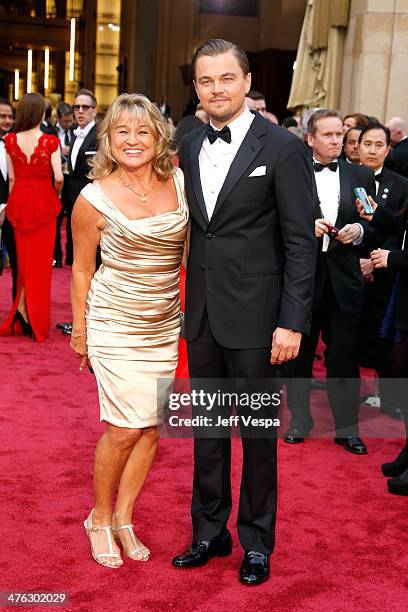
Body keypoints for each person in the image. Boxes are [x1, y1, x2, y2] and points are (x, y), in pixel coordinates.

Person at [171, 39, 316, 586]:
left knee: (255, 435)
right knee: (207, 432)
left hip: (260, 320)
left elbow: (300, 243)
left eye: (226, 79)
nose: (216, 90)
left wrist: (292, 321)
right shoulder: (186, 141)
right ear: (196, 88)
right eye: (206, 81)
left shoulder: (282, 147)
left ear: (247, 80)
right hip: (202, 313)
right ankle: (209, 532)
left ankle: (256, 542)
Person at [70, 93, 188, 568]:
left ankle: (124, 517)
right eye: (122, 132)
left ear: (159, 135)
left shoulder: (179, 182)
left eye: (143, 131)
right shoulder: (91, 198)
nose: (133, 140)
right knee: (123, 428)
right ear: (109, 139)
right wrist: (80, 332)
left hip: (164, 323)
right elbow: (80, 270)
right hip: (114, 323)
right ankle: (98, 517)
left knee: (152, 428)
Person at [285, 109, 374, 454]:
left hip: (344, 281)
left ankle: (347, 428)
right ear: (310, 139)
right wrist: (306, 230)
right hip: (302, 280)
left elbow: (375, 223)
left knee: (344, 358)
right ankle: (299, 420)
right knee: (299, 357)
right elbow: (277, 224)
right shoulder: (293, 174)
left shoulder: (361, 174)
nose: (338, 140)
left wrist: (361, 230)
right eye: (329, 135)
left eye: (340, 134)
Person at [0, 93, 62, 342]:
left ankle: (22, 310)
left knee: (22, 263)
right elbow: (58, 177)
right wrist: (52, 193)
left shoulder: (10, 141)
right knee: (39, 265)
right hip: (44, 204)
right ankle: (31, 315)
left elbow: (12, 179)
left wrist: (17, 202)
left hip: (19, 204)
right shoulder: (50, 141)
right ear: (41, 114)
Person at [357, 196, 408, 495]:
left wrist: (394, 259)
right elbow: (404, 226)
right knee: (400, 368)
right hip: (404, 298)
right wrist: (378, 215)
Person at [358, 123, 408, 419]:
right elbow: (402, 225)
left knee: (394, 352)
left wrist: (388, 259)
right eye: (367, 143)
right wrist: (377, 214)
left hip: (390, 276)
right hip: (353, 270)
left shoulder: (401, 182)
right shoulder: (349, 176)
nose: (373, 150)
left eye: (380, 144)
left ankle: (393, 400)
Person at [58, 89, 98, 336]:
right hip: (74, 209)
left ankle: (89, 321)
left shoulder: (99, 137)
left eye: (85, 107)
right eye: (77, 107)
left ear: (94, 110)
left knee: (89, 267)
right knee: (77, 266)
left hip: (91, 211)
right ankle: (80, 319)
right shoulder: (73, 135)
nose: (80, 111)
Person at [53, 101, 75, 268]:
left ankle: (71, 256)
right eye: (65, 121)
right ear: (58, 118)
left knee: (72, 221)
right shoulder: (50, 132)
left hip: (72, 181)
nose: (68, 124)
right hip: (55, 180)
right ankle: (57, 257)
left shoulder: (76, 132)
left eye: (70, 121)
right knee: (56, 219)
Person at [0, 97, 17, 299]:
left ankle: (17, 313)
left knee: (16, 264)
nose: (7, 120)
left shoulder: (16, 142)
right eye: (2, 116)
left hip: (12, 212)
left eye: (10, 117)